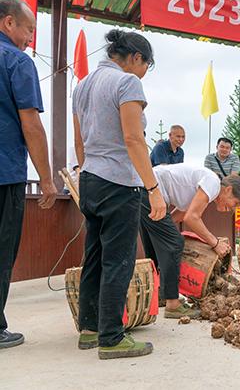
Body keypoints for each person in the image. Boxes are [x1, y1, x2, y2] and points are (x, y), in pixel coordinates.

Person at [73, 29, 165, 359]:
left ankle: (90, 329)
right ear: (136, 58)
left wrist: (87, 172)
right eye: (145, 65)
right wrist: (153, 189)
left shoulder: (82, 85)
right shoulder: (127, 83)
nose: (143, 73)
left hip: (91, 179)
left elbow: (79, 143)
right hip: (119, 183)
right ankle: (111, 336)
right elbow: (134, 139)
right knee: (119, 260)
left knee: (94, 255)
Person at [0, 0, 57, 350]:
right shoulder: (16, 62)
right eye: (28, 29)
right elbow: (31, 124)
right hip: (4, 172)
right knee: (2, 250)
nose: (29, 38)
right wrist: (47, 178)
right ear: (8, 24)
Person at [140, 164, 240, 317]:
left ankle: (161, 294)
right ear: (228, 189)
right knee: (175, 244)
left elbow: (180, 216)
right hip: (149, 190)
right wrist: (215, 243)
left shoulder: (206, 187)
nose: (232, 209)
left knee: (159, 244)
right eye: (235, 203)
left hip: (145, 190)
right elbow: (192, 218)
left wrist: (167, 233)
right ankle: (172, 304)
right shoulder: (213, 183)